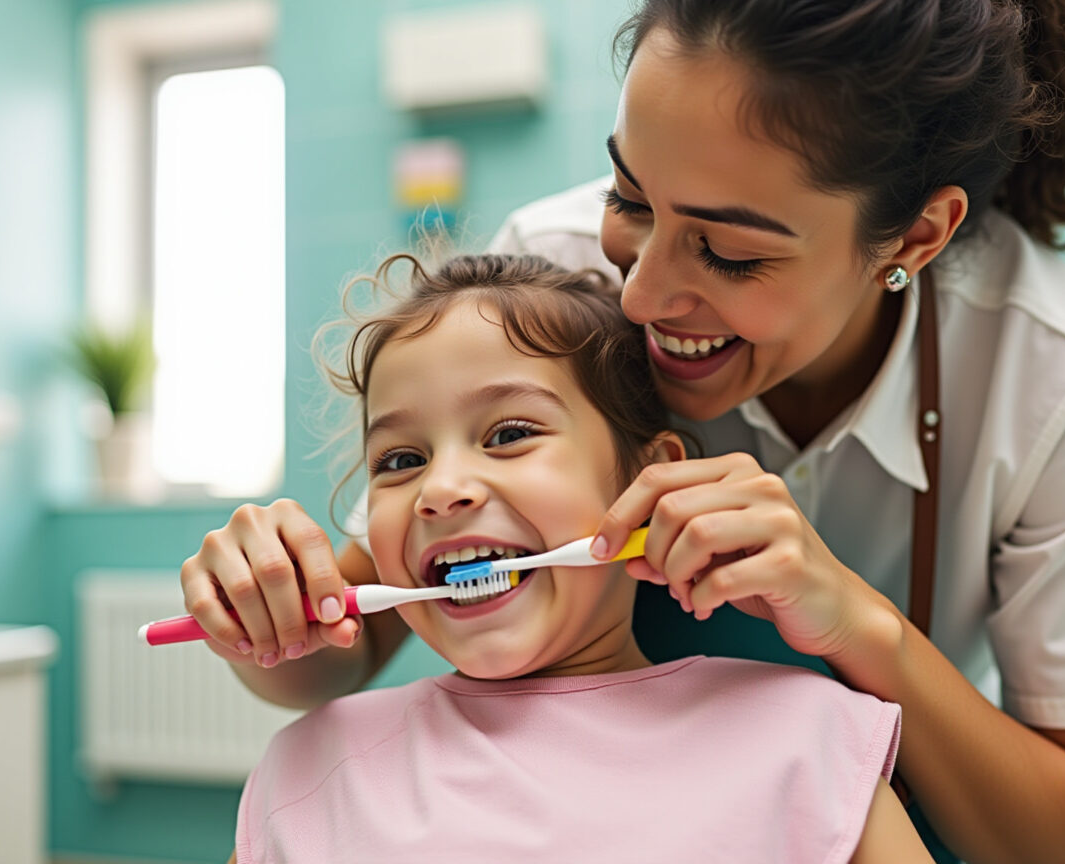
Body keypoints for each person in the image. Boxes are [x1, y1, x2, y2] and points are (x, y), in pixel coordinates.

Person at [185, 2, 1065, 862]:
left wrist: (858, 625)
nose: (639, 291)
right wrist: (266, 610)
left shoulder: (1063, 374)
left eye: (726, 252)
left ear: (913, 238)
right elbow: (359, 632)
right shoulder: (550, 280)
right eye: (631, 196)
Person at [230, 252, 930, 863]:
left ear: (646, 481)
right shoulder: (311, 771)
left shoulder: (809, 745)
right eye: (401, 459)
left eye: (508, 433)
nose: (439, 491)